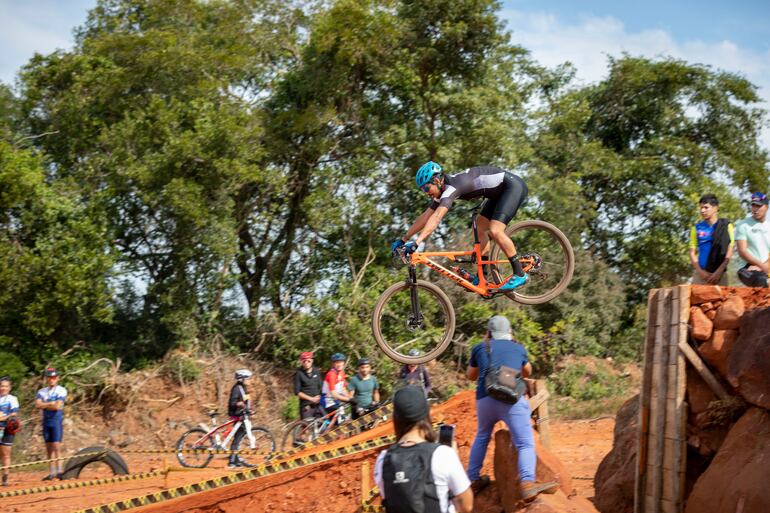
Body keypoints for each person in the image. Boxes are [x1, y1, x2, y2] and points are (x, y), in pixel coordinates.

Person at [391, 162, 530, 291]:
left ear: (437, 181)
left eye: (426, 187)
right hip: (498, 194)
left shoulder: (452, 188)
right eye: (422, 190)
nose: (426, 192)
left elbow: (437, 217)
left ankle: (519, 273)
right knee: (480, 227)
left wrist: (417, 242)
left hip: (512, 186)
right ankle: (482, 278)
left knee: (495, 229)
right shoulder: (442, 190)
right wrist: (403, 239)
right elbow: (425, 217)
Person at [466, 316, 557, 501]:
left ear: (489, 332)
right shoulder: (518, 347)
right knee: (524, 443)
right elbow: (527, 372)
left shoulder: (480, 347)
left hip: (485, 398)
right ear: (509, 332)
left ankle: (473, 479)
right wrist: (509, 366)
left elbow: (471, 376)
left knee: (482, 436)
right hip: (511, 399)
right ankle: (527, 483)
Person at [374, 386, 473, 513]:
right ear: (427, 415)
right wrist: (454, 458)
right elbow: (466, 506)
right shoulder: (443, 455)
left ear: (396, 419)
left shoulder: (382, 459)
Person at [688, 194, 734, 285]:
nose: (702, 210)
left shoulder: (726, 226)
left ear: (715, 208)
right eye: (701, 208)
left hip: (721, 275)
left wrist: (719, 272)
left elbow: (730, 250)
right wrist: (700, 272)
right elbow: (691, 253)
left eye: (706, 207)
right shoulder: (696, 228)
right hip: (701, 276)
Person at [35, 367, 67, 480]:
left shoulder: (61, 390)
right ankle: (52, 472)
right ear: (47, 379)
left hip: (56, 420)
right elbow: (38, 405)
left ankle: (60, 471)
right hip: (46, 421)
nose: (51, 380)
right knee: (48, 448)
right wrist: (51, 404)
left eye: (53, 377)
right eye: (49, 377)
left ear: (57, 378)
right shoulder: (41, 391)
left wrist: (46, 404)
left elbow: (58, 406)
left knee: (57, 446)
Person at [734, 192, 770, 287]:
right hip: (748, 269)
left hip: (767, 268)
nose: (755, 209)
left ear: (766, 207)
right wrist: (760, 265)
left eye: (759, 206)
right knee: (760, 280)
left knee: (764, 279)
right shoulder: (742, 225)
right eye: (753, 205)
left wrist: (765, 266)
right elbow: (742, 251)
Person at [227, 369, 253, 468]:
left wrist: (249, 410)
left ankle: (236, 460)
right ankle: (232, 461)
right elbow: (232, 403)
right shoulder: (237, 388)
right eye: (248, 378)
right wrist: (241, 404)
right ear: (242, 379)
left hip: (243, 415)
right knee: (238, 438)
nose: (250, 380)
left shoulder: (243, 388)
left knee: (240, 437)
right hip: (237, 415)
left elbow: (247, 400)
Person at [0, 376, 20, 486]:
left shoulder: (12, 399)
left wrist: (3, 418)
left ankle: (5, 477)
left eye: (6, 386)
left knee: (6, 454)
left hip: (8, 428)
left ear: (10, 387)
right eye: (2, 386)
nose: (4, 388)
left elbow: (14, 413)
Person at [322, 353, 353, 421]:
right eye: (337, 362)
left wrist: (350, 398)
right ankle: (328, 429)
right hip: (327, 401)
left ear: (344, 363)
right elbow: (333, 393)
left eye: (341, 362)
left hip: (335, 400)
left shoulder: (341, 373)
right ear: (333, 364)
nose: (339, 364)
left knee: (343, 412)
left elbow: (343, 389)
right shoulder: (331, 374)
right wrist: (348, 399)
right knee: (340, 418)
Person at [294, 352, 324, 420]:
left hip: (318, 403)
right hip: (306, 405)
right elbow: (297, 392)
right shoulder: (298, 374)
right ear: (301, 362)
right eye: (304, 361)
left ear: (312, 360)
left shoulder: (316, 371)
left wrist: (319, 396)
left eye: (308, 361)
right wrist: (311, 399)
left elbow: (321, 387)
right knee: (306, 427)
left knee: (323, 425)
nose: (306, 363)